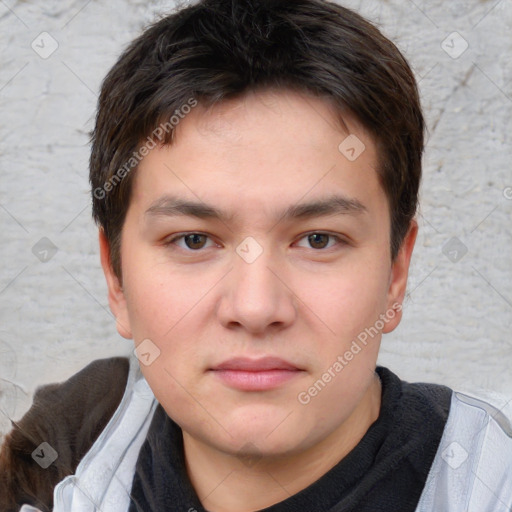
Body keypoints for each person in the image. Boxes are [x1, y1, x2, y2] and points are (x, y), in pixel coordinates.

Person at [1, 0, 511, 510]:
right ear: (116, 278)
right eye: (194, 240)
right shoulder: (63, 459)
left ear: (396, 273)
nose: (255, 308)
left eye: (318, 239)